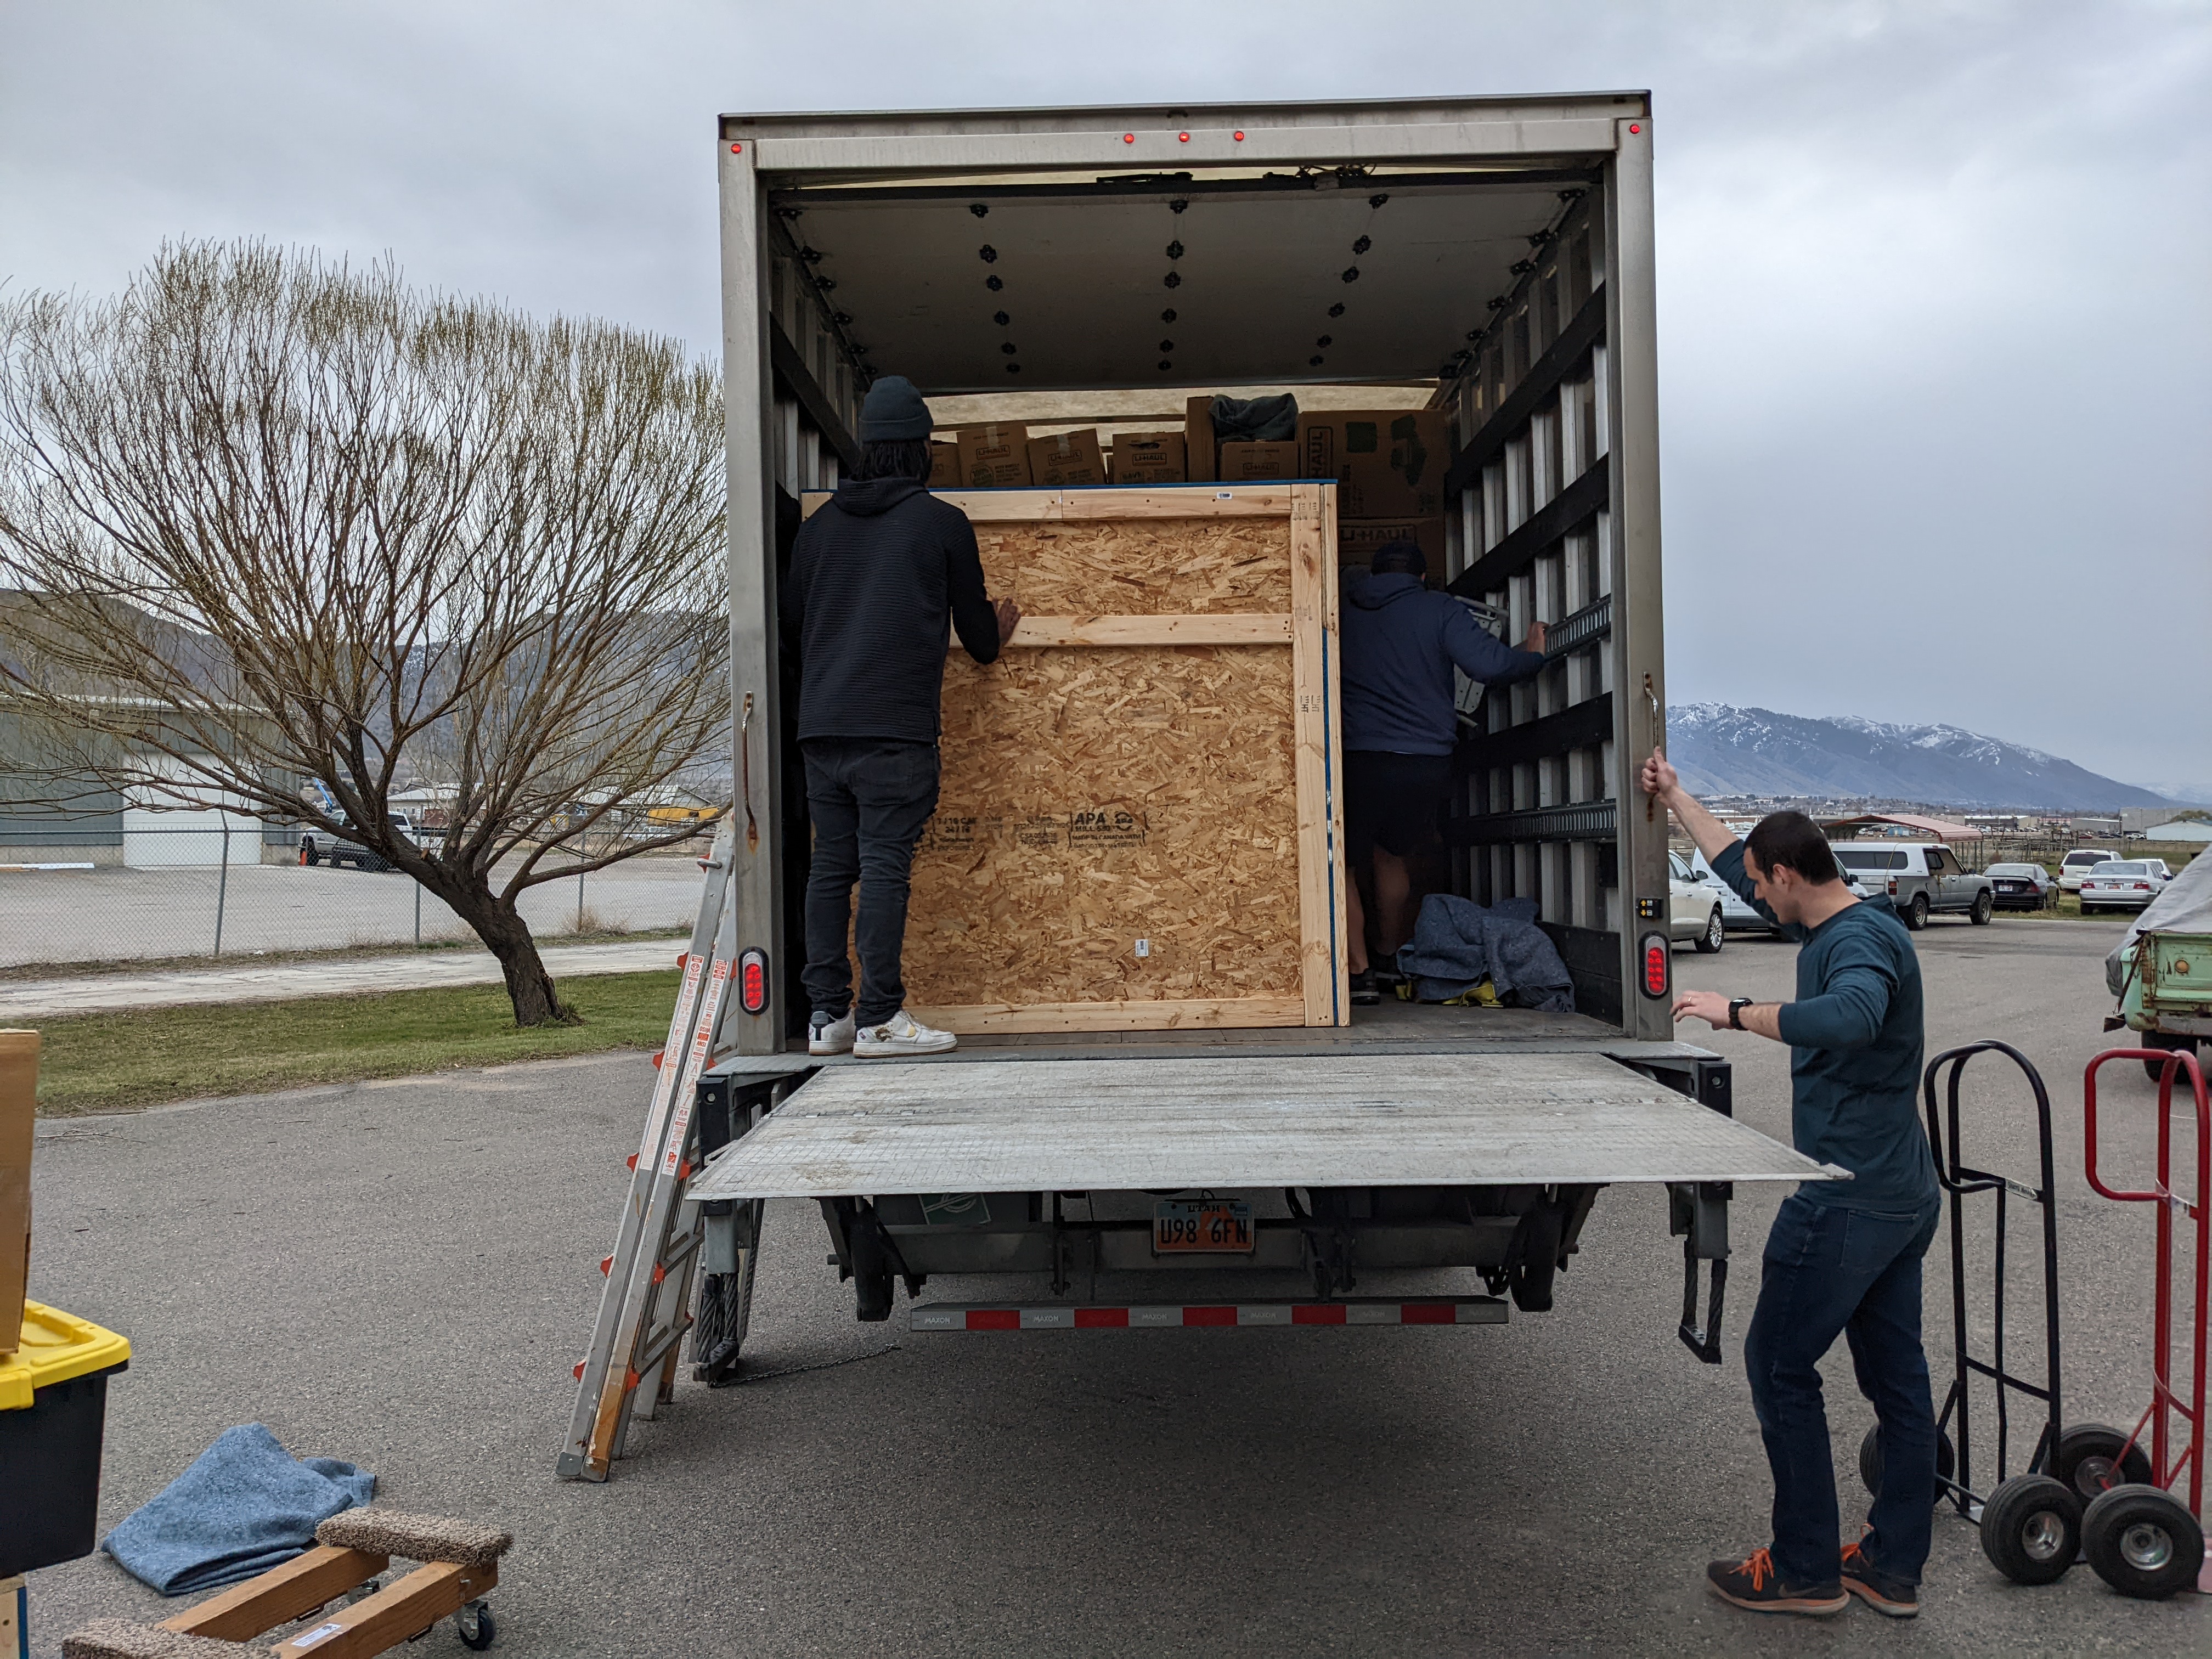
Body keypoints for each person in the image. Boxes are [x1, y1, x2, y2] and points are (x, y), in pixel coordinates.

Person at [1640, 749, 1940, 1621]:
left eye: (1763, 888)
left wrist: (1736, 1013)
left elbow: (1852, 1018)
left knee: (1777, 1363)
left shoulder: (1854, 944)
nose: (1754, 900)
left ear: (1791, 876)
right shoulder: (1846, 918)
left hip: (1849, 1195)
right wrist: (1676, 797)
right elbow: (1736, 860)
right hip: (1899, 1190)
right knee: (1898, 1382)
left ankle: (1805, 1568)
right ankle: (1891, 1569)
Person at [780, 375, 1019, 1058]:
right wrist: (997, 631)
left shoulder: (818, 531)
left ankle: (827, 1019)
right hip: (894, 732)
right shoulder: (941, 524)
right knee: (884, 867)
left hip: (822, 729)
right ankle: (881, 1017)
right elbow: (978, 642)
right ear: (921, 452)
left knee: (832, 867)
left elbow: (796, 628)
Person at [1337, 540, 1546, 1003]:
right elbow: (1490, 665)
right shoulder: (1439, 609)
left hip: (1359, 759)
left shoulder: (1343, 615)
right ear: (1423, 577)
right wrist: (1533, 656)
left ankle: (1359, 972)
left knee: (1343, 865)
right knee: (1393, 857)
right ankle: (1390, 953)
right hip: (1425, 762)